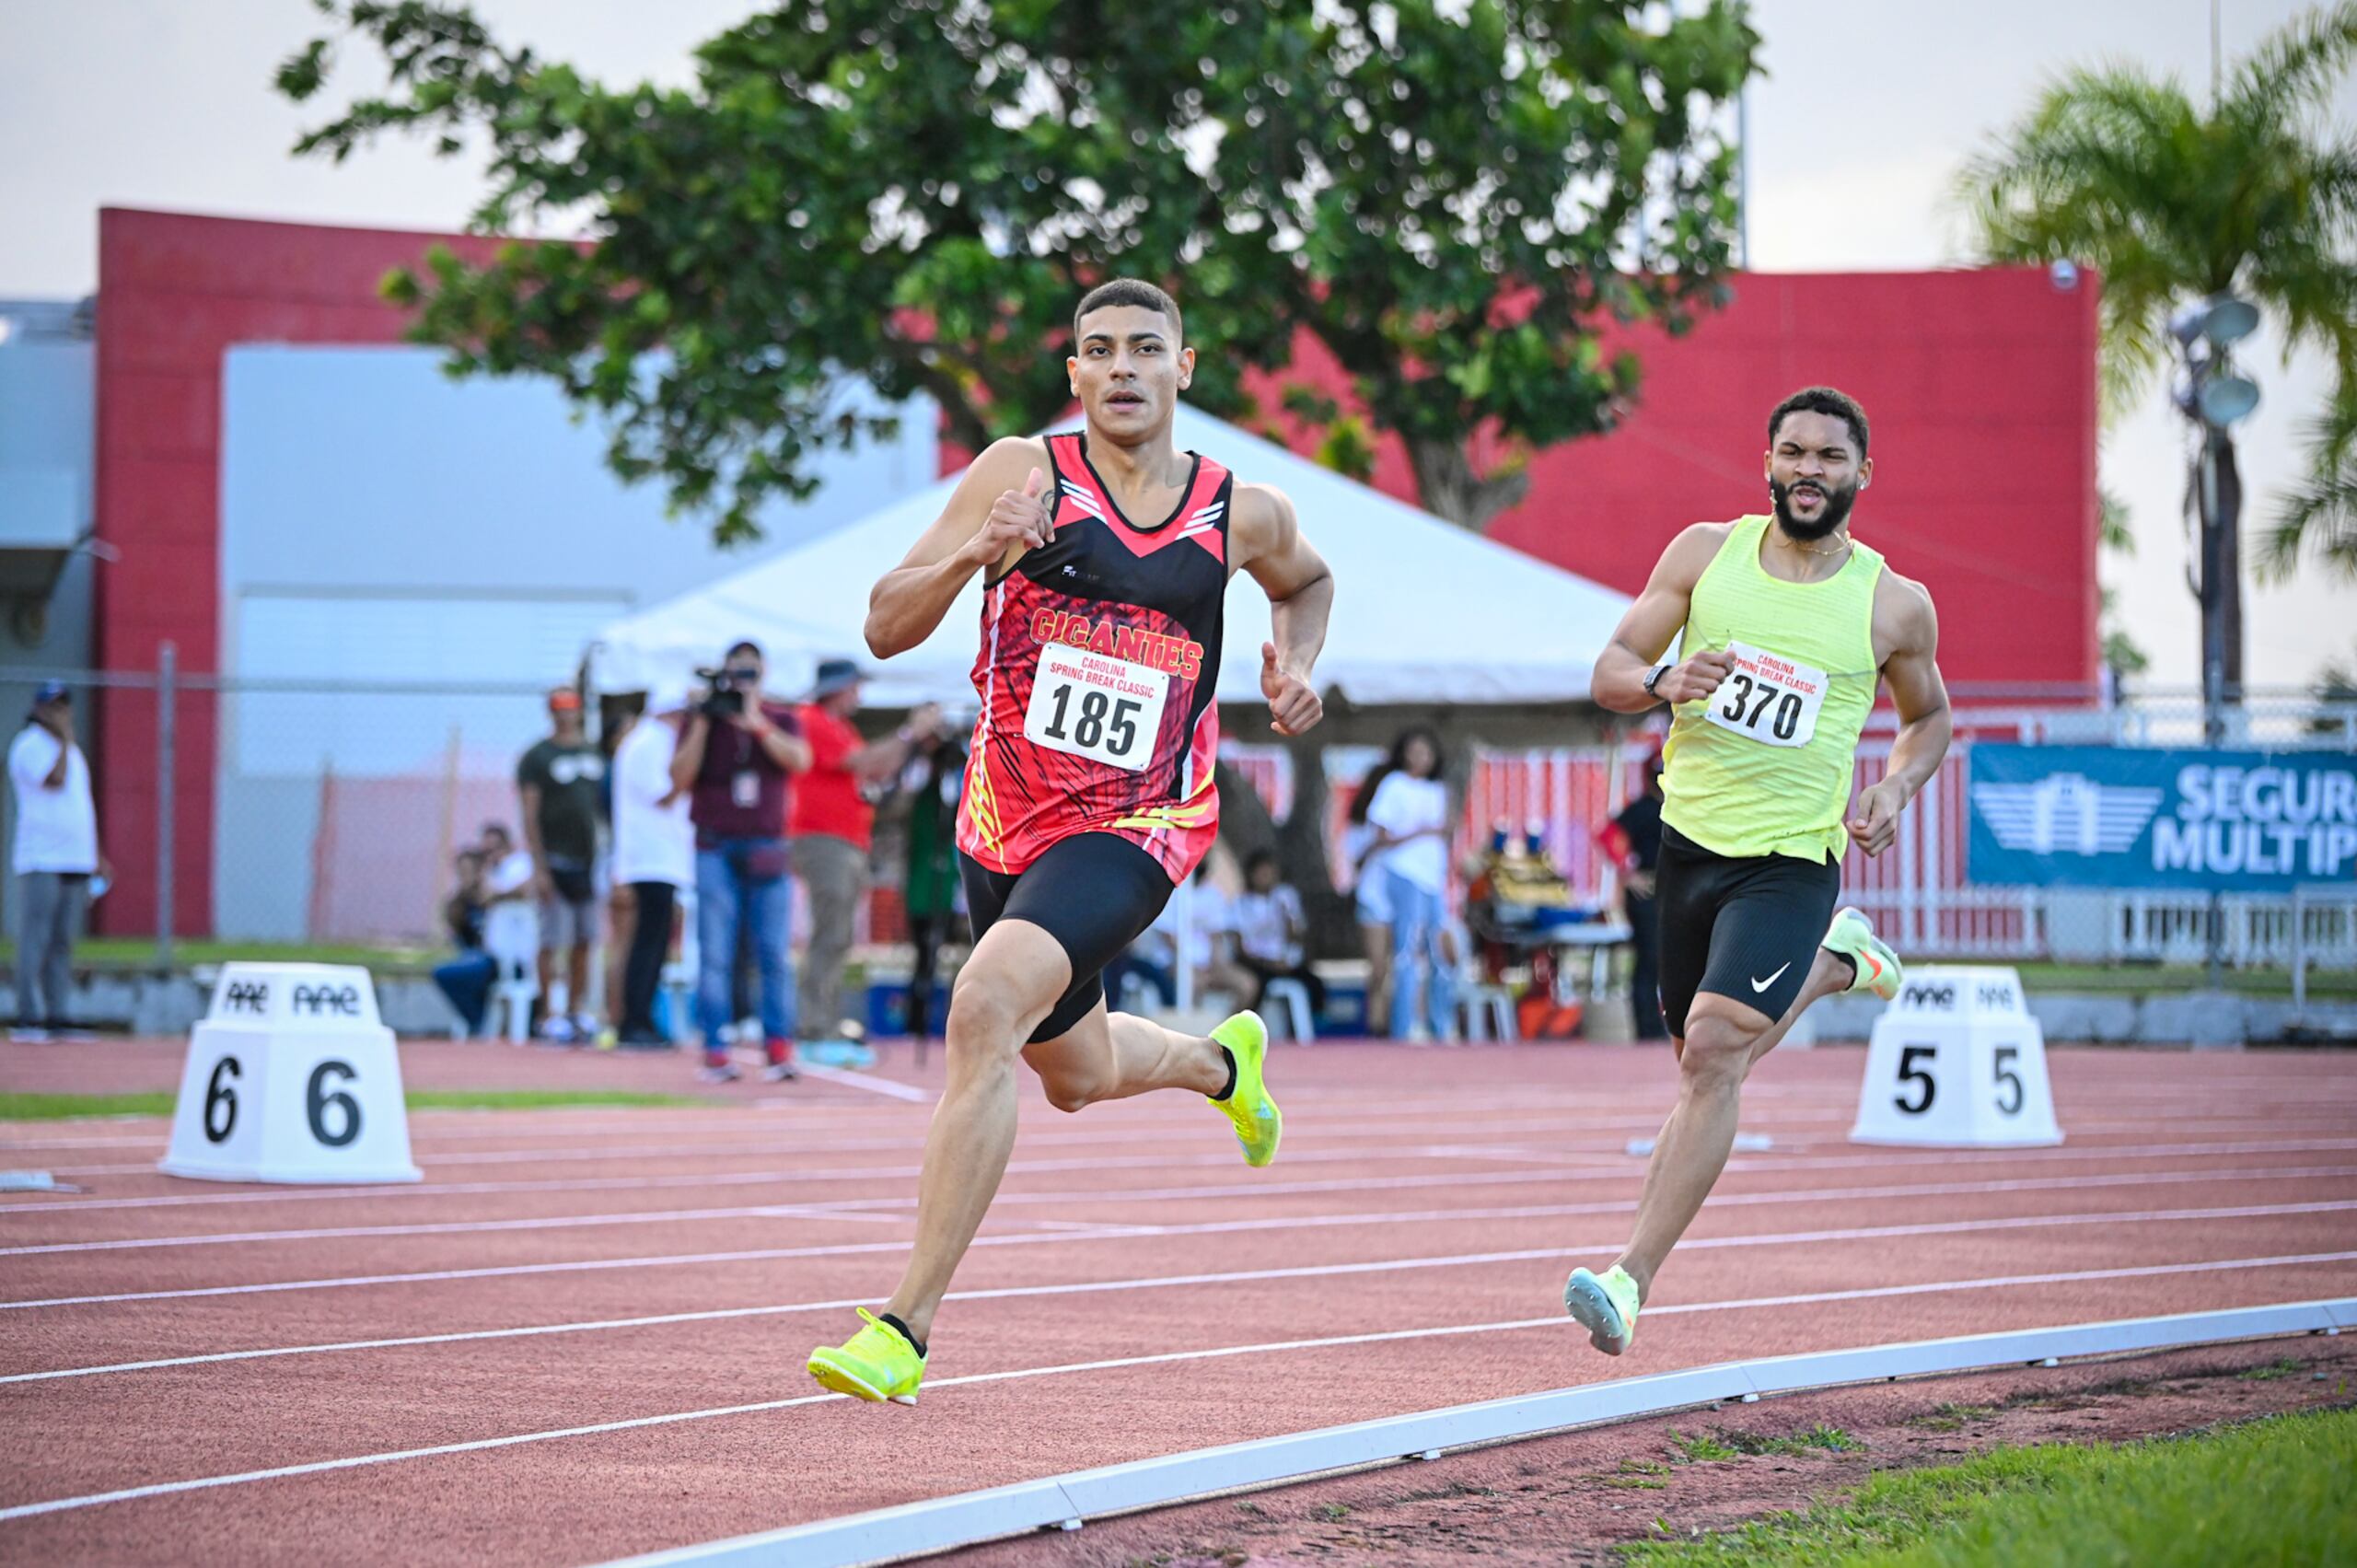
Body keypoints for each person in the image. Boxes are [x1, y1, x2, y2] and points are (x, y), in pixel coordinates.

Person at [807, 277, 1334, 1405]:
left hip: (1140, 819)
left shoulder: (1241, 510)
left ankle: (903, 1327)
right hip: (1003, 821)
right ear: (1075, 374)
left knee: (985, 1004)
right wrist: (972, 555)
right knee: (1075, 1074)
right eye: (1101, 350)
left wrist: (1296, 660)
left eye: (1148, 348)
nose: (1125, 368)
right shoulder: (1020, 472)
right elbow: (882, 624)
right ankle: (1220, 1063)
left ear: (1183, 368)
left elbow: (1309, 578)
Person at [1562, 386, 1946, 1358]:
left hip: (1790, 856)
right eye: (1792, 452)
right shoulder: (1704, 554)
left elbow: (1927, 718)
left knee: (1715, 1047)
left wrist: (1895, 789)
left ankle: (1628, 1278)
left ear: (1862, 473)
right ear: (1767, 463)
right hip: (1687, 847)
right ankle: (1837, 963)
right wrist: (1660, 681)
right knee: (1697, 1056)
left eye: (1828, 456)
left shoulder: (1892, 604)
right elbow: (1608, 668)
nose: (1807, 469)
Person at [669, 640, 811, 1083]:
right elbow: (679, 777)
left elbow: (800, 761)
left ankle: (778, 1048)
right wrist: (704, 722)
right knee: (715, 952)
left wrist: (755, 722)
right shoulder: (703, 720)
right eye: (737, 673)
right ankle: (715, 1049)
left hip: (767, 847)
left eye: (751, 673)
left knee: (773, 953)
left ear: (763, 674)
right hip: (715, 845)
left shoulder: (780, 716)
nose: (742, 681)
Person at [789, 658, 937, 1066]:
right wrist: (910, 732)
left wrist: (911, 745)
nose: (859, 695)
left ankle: (824, 1022)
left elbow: (878, 766)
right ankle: (813, 1026)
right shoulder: (813, 719)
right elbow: (866, 763)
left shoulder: (838, 727)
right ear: (838, 688)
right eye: (854, 687)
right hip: (824, 840)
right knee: (829, 934)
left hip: (843, 841)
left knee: (837, 936)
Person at [9, 680, 106, 1041]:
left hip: (75, 858)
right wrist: (64, 739)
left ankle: (57, 1013)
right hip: (42, 859)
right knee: (36, 937)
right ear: (38, 708)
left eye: (65, 705)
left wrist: (95, 855)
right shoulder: (30, 745)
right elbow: (54, 781)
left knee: (63, 940)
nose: (61, 712)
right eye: (54, 706)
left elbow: (78, 807)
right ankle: (27, 1017)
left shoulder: (73, 750)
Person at [516, 688, 607, 1043]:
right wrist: (539, 866)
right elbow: (529, 812)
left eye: (571, 708)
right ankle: (546, 1014)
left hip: (590, 861)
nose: (566, 715)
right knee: (554, 938)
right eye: (559, 709)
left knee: (586, 937)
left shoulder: (593, 754)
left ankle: (575, 1010)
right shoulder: (537, 757)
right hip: (555, 859)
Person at [610, 690, 695, 1047]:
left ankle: (640, 1019)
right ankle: (635, 1021)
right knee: (647, 943)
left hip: (658, 859)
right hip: (652, 859)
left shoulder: (649, 741)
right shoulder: (649, 743)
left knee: (654, 944)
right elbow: (667, 792)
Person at [1366, 727, 1456, 1040]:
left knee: (1440, 953)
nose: (1421, 758)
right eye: (1415, 752)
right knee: (1406, 950)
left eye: (1426, 752)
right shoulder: (1394, 785)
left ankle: (1440, 1024)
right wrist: (1420, 833)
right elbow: (1381, 833)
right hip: (1405, 873)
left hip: (1432, 879)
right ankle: (1403, 1027)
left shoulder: (1438, 791)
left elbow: (1445, 834)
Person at [893, 714, 967, 1043]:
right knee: (922, 955)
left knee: (944, 953)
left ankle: (940, 1021)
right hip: (922, 885)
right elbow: (903, 797)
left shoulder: (954, 795)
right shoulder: (921, 791)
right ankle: (917, 1021)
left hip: (944, 883)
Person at [1597, 748, 1669, 1040]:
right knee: (1649, 957)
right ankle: (1646, 1028)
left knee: (1670, 959)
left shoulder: (1682, 809)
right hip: (1647, 892)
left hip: (1673, 891)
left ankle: (1664, 1024)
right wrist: (1628, 874)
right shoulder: (1643, 808)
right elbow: (1608, 835)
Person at [1234, 848, 1324, 1024]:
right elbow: (1240, 947)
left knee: (1314, 983)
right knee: (1257, 986)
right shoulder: (1241, 903)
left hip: (1284, 961)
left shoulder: (1285, 896)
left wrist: (1287, 919)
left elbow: (1298, 936)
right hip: (1258, 963)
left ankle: (1314, 1024)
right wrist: (1268, 964)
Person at [432, 849, 495, 1037]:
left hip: (491, 959)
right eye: (461, 871)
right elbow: (453, 930)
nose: (465, 875)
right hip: (469, 957)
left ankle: (478, 1022)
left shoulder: (493, 897)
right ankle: (476, 1019)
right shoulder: (458, 903)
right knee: (445, 973)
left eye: (469, 870)